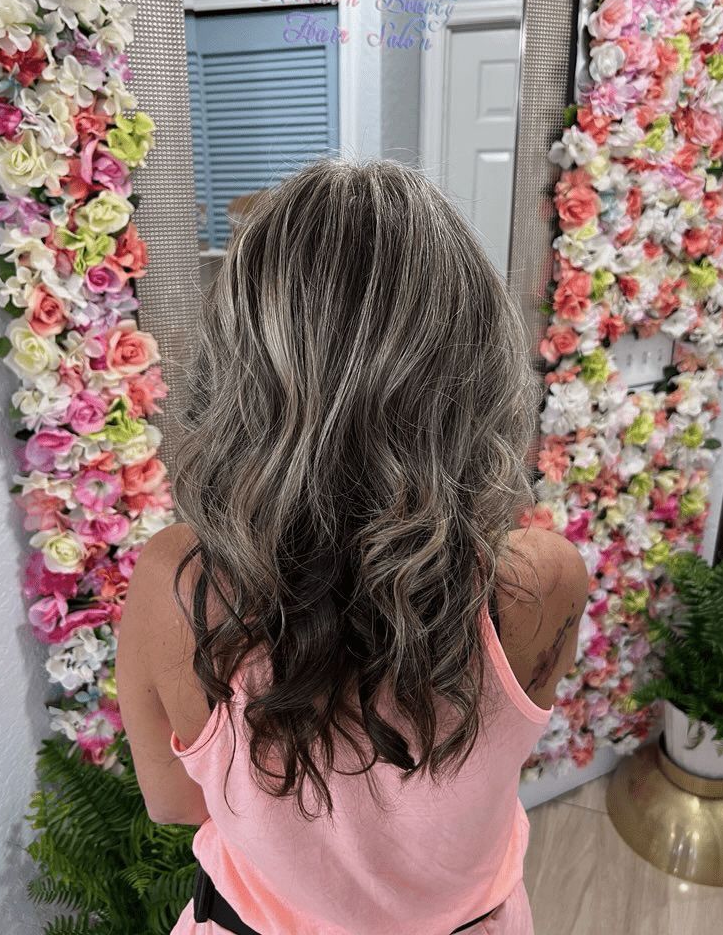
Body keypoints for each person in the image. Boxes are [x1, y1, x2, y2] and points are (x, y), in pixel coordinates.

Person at [115, 158, 588, 935]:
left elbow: (174, 803)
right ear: (478, 363)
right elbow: (492, 760)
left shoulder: (180, 586)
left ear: (240, 366)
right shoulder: (542, 579)